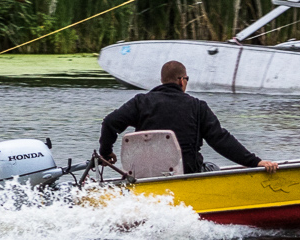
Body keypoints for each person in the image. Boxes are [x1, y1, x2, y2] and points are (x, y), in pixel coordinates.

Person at [99, 60, 280, 175]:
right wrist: (255, 162)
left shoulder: (141, 102)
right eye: (187, 79)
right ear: (181, 80)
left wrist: (105, 152)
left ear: (163, 80)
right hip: (186, 174)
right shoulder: (197, 106)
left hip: (144, 176)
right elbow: (220, 140)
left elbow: (109, 123)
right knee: (213, 168)